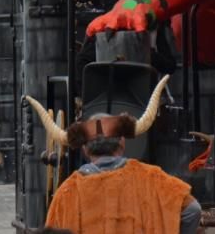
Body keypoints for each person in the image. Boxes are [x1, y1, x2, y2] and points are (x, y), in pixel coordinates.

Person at [27, 77, 201, 234]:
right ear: (122, 142)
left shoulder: (66, 193)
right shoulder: (153, 179)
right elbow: (193, 210)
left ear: (85, 150)